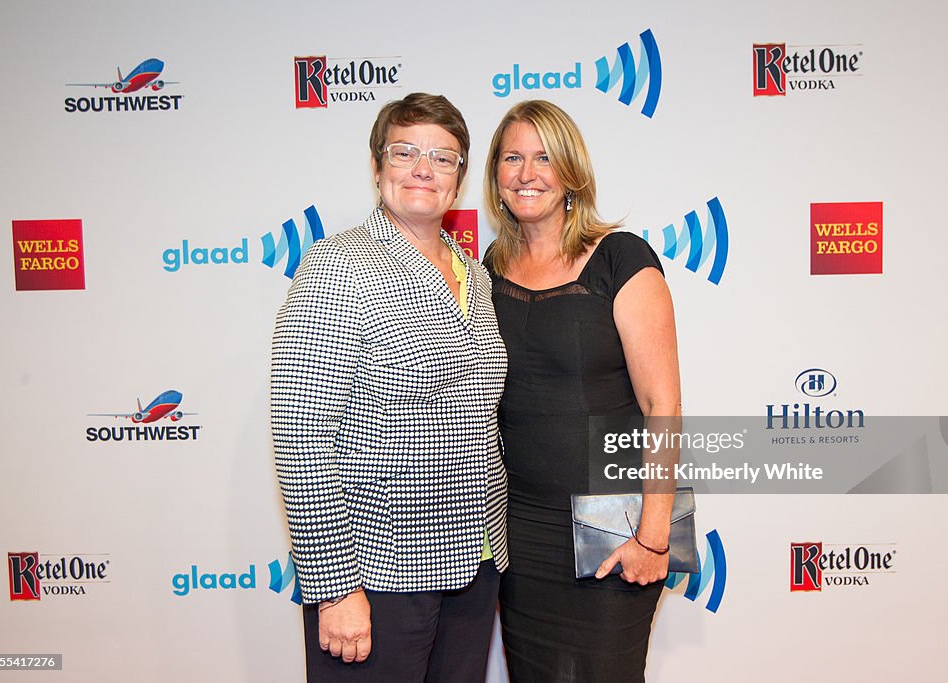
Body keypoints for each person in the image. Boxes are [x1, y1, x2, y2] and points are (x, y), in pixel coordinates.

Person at [271, 92, 509, 682]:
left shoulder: (473, 273)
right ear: (378, 168)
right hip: (377, 578)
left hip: (475, 565)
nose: (424, 168)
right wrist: (334, 589)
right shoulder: (338, 265)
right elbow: (303, 441)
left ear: (459, 179)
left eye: (443, 157)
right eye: (405, 153)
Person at [483, 100, 682, 682]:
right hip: (516, 528)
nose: (527, 173)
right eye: (512, 157)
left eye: (544, 157)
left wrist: (653, 534)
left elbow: (662, 405)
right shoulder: (483, 270)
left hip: (613, 523)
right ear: (494, 173)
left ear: (571, 169)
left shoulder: (622, 258)